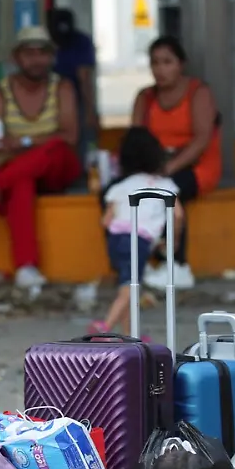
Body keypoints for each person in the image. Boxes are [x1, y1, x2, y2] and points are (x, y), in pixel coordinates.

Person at [0, 25, 83, 291]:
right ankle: (26, 267)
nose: (36, 60)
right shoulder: (0, 92)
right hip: (21, 171)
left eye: (42, 53)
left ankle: (1, 179)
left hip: (57, 168)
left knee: (54, 148)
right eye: (29, 53)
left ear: (51, 57)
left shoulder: (62, 86)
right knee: (21, 184)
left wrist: (24, 143)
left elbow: (69, 135)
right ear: (17, 57)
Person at [130, 36, 222, 290]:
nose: (160, 69)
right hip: (156, 167)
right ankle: (138, 263)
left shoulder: (198, 93)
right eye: (155, 63)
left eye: (167, 62)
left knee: (168, 193)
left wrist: (168, 169)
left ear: (181, 64)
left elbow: (202, 139)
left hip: (196, 166)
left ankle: (177, 265)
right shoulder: (145, 97)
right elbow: (136, 139)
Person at [90, 126, 183, 336]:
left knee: (126, 285)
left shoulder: (120, 186)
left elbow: (106, 221)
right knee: (132, 288)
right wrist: (172, 240)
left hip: (116, 240)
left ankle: (130, 335)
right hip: (139, 240)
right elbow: (177, 215)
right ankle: (104, 328)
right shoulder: (165, 184)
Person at [48, 8, 100, 153]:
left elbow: (84, 78)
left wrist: (90, 110)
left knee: (85, 142)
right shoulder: (45, 43)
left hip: (78, 99)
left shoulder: (81, 41)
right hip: (48, 102)